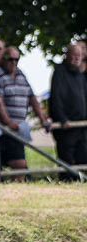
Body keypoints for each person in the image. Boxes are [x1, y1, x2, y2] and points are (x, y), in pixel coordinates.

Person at [0, 46, 50, 171]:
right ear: (3, 59)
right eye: (10, 59)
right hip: (4, 129)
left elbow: (32, 97)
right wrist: (7, 121)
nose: (13, 62)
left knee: (19, 165)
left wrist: (41, 117)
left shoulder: (20, 74)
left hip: (18, 128)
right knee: (5, 165)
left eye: (16, 59)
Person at [49, 44, 87, 180]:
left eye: (79, 55)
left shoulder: (80, 76)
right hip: (66, 128)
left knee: (83, 159)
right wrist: (62, 118)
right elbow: (56, 98)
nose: (77, 58)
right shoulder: (59, 72)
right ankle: (67, 184)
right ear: (67, 55)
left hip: (81, 127)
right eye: (73, 54)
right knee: (67, 162)